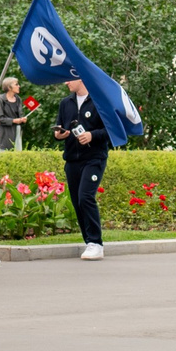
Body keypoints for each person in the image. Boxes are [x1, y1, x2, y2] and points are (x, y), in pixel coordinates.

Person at [56, 77, 113, 261]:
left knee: (85, 197)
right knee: (77, 202)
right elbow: (59, 128)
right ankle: (89, 242)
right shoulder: (65, 103)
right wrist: (59, 134)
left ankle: (96, 243)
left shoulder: (100, 101)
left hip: (94, 158)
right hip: (72, 159)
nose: (66, 82)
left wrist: (92, 135)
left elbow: (111, 130)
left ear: (81, 77)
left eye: (69, 79)